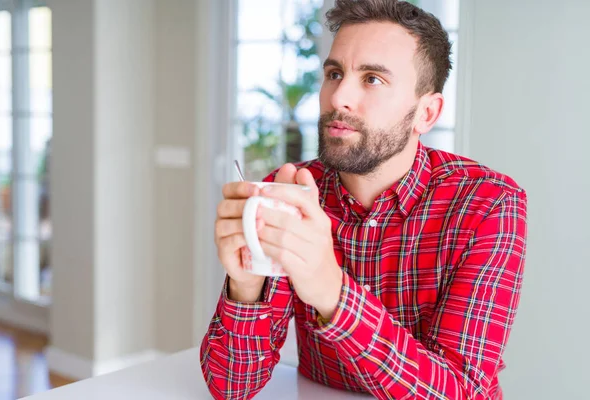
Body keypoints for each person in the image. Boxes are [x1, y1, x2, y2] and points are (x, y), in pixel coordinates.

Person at [200, 0, 527, 399]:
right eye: (334, 74)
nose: (339, 98)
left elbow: (462, 392)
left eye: (372, 79)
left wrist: (331, 291)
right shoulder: (293, 193)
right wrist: (246, 284)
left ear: (426, 113)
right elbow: (231, 386)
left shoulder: (488, 205)